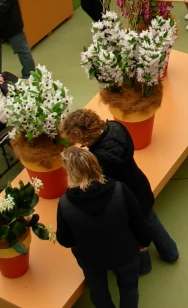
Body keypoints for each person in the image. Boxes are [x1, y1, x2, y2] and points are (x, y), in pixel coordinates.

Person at [60, 109, 179, 275]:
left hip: (124, 198)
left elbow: (104, 181)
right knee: (151, 220)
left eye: (78, 139)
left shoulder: (99, 158)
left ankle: (144, 267)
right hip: (139, 185)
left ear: (83, 134)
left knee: (136, 232)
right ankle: (171, 252)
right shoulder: (116, 127)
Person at [57, 146, 152, 308]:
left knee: (98, 291)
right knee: (129, 289)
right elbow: (139, 221)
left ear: (71, 173)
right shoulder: (120, 190)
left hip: (91, 259)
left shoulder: (65, 204)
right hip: (125, 253)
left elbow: (65, 240)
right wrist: (144, 242)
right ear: (95, 164)